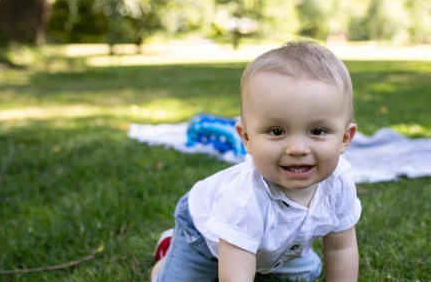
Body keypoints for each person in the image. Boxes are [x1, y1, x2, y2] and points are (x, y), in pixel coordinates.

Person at [151, 41, 362, 281]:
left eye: (317, 131)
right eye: (276, 131)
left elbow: (340, 248)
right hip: (202, 238)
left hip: (272, 245)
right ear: (246, 138)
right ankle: (168, 250)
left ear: (345, 139)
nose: (297, 149)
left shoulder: (339, 182)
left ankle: (267, 258)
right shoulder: (243, 200)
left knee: (308, 272)